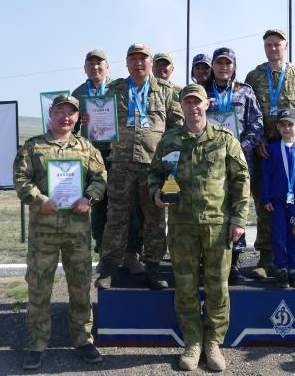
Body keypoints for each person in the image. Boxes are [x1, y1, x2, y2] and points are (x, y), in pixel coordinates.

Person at [149, 84, 249, 372]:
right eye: (187, 102)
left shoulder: (224, 138)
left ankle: (213, 343)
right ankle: (193, 341)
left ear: (207, 105)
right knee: (186, 287)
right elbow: (155, 174)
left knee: (218, 288)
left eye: (197, 102)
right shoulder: (170, 141)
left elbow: (241, 177)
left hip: (217, 226)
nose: (192, 107)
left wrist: (239, 218)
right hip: (182, 226)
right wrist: (156, 193)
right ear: (181, 106)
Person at [13, 94, 107, 370]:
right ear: (51, 114)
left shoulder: (86, 147)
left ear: (77, 117)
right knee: (39, 287)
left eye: (71, 113)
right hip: (44, 230)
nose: (66, 117)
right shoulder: (34, 147)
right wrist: (41, 200)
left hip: (77, 230)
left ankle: (82, 339)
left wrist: (87, 199)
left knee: (79, 286)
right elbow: (20, 178)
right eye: (60, 111)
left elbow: (100, 178)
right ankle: (37, 342)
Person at [93, 43, 184, 290]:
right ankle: (110, 267)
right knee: (116, 216)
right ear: (127, 63)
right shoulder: (115, 89)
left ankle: (153, 267)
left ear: (150, 62)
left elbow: (177, 126)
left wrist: (171, 162)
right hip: (121, 163)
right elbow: (99, 118)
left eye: (142, 59)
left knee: (154, 217)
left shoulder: (166, 91)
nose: (138, 63)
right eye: (133, 59)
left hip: (153, 166)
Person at [244, 28, 295, 278]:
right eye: (268, 45)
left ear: (286, 46)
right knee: (265, 203)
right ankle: (266, 258)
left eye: (277, 44)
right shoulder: (254, 75)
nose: (272, 48)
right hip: (266, 151)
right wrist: (256, 139)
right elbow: (250, 111)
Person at [71, 50, 144, 274]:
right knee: (99, 205)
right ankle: (104, 253)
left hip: (118, 154)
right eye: (90, 64)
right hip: (91, 157)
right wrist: (78, 120)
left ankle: (132, 253)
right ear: (85, 68)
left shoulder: (119, 88)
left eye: (99, 63)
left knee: (128, 205)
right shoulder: (78, 93)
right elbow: (68, 127)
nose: (95, 67)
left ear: (108, 66)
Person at [205, 47, 263, 285]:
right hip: (208, 161)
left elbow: (257, 122)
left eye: (228, 63)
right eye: (219, 63)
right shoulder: (202, 92)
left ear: (234, 66)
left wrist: (242, 145)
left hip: (238, 159)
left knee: (238, 206)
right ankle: (209, 260)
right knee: (213, 206)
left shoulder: (245, 92)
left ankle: (235, 263)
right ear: (213, 67)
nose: (223, 67)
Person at [261, 108, 295, 289]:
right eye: (283, 125)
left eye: (290, 125)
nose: (287, 129)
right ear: (277, 127)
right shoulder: (272, 150)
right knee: (279, 237)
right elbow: (266, 175)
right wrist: (266, 198)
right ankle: (281, 270)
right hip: (277, 204)